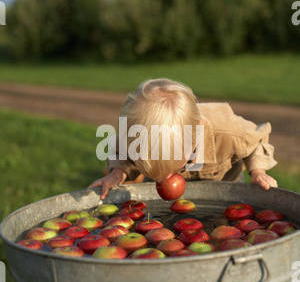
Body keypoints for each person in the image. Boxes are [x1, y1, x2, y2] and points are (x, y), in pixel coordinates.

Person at [88, 78, 278, 200]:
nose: (166, 178)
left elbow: (257, 140)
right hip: (163, 200)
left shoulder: (230, 132)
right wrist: (117, 173)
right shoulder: (136, 138)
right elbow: (122, 150)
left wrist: (257, 170)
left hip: (225, 193)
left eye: (172, 168)